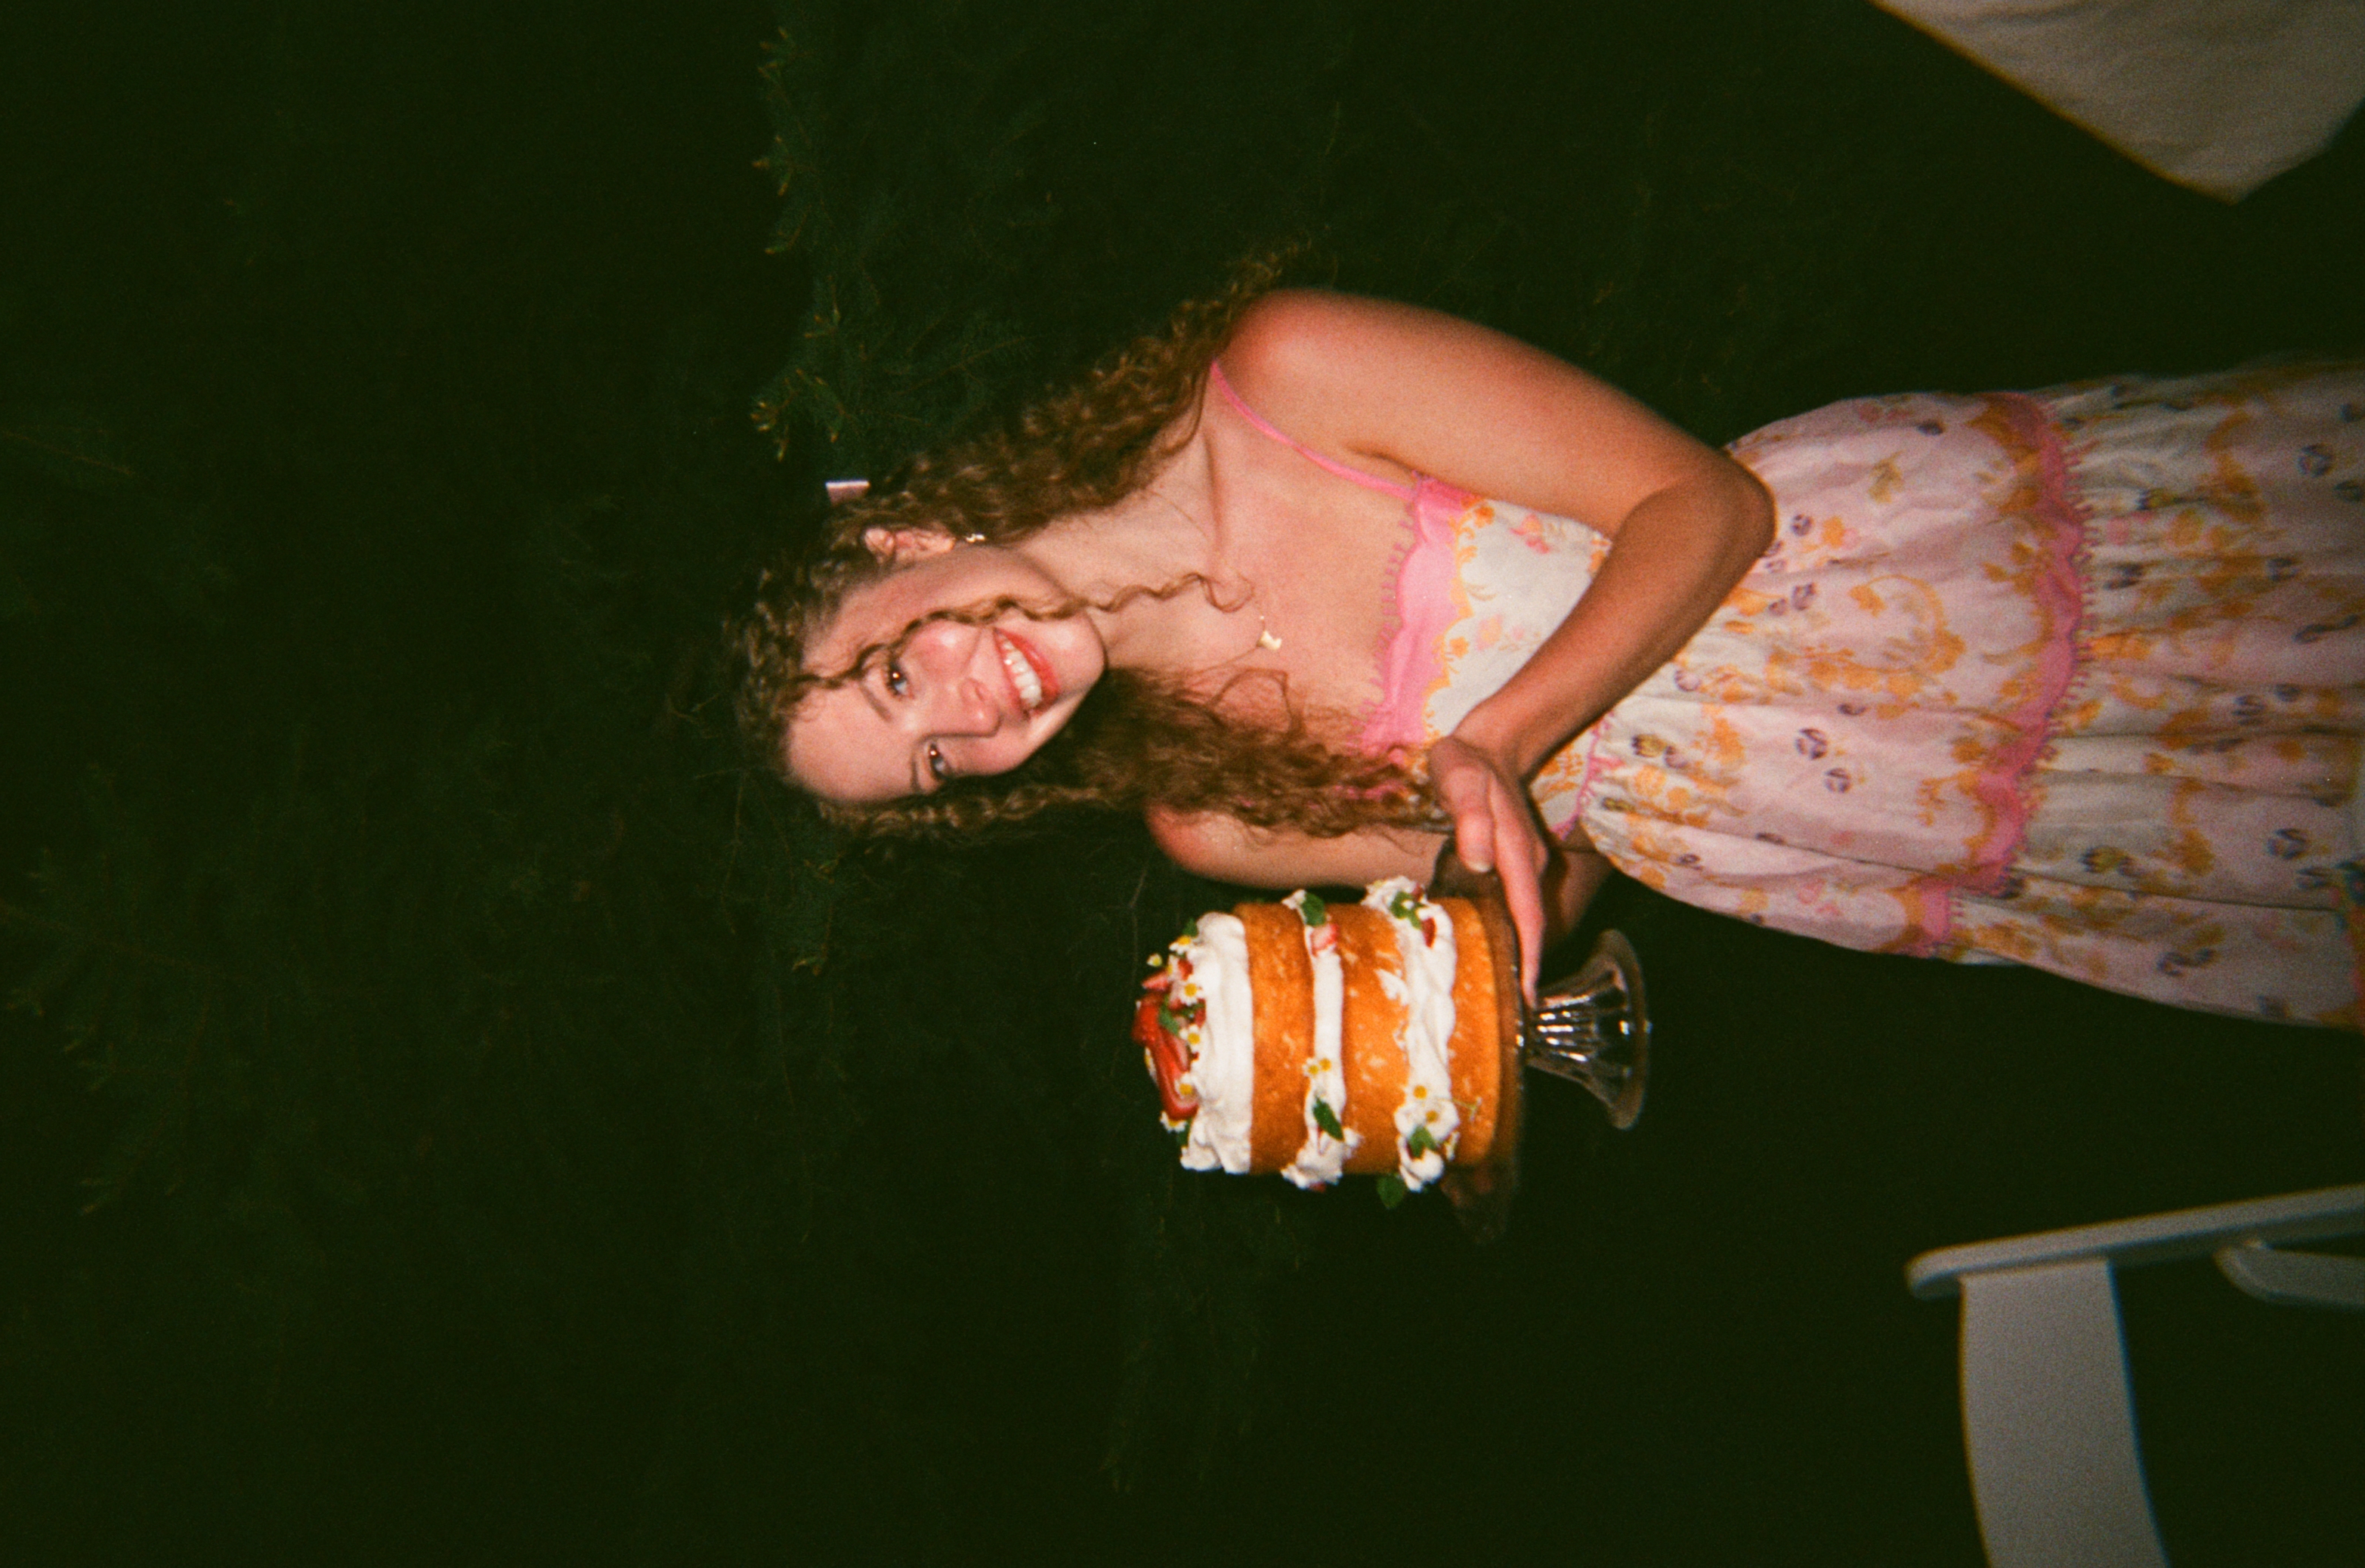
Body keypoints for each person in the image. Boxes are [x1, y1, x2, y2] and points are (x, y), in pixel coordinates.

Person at [738, 271, 2365, 1027]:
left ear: (903, 546)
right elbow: (1559, 859)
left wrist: (1494, 739)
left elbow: (1698, 505)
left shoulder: (1286, 376)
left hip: (1911, 589)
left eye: (898, 675)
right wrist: (1485, 986)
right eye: (933, 764)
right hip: (1837, 816)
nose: (972, 717)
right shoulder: (1206, 815)